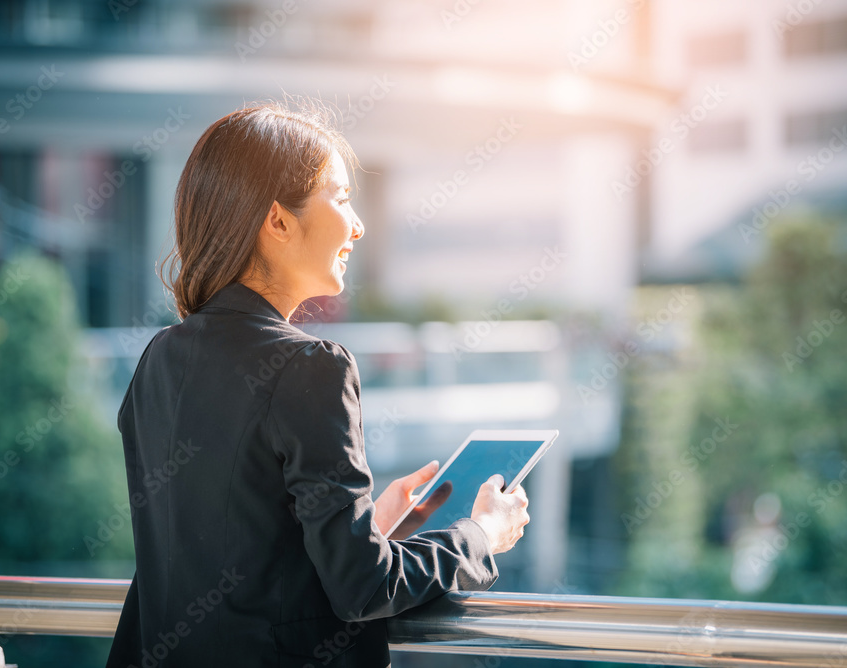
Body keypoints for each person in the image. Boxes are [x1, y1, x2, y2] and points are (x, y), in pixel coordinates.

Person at [105, 101, 530, 668]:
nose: (358, 226)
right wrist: (480, 533)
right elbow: (364, 591)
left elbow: (232, 563)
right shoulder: (311, 366)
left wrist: (371, 525)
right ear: (278, 220)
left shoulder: (160, 358)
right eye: (342, 197)